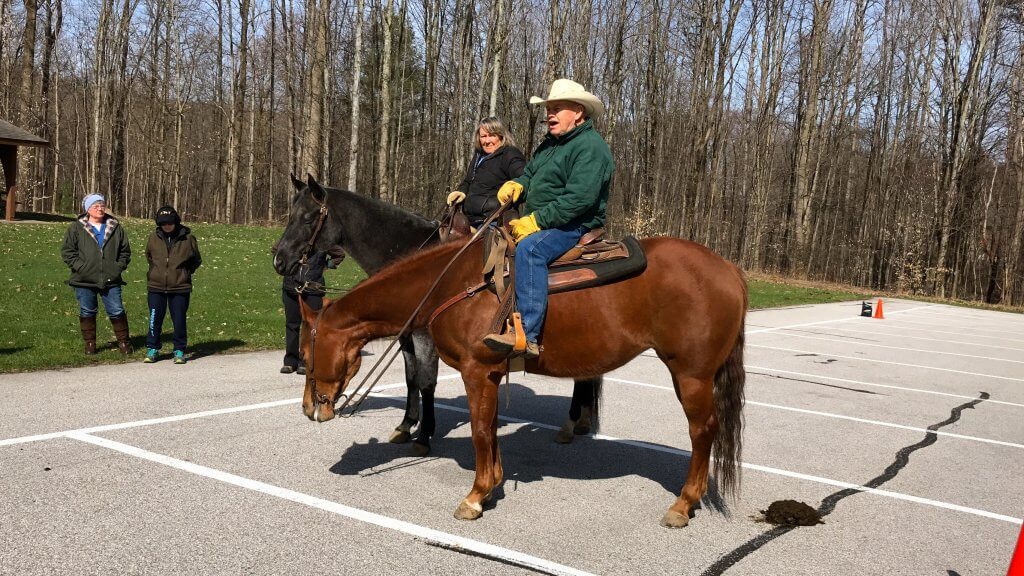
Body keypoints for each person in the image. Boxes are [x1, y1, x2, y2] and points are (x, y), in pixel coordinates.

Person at [482, 79, 614, 359]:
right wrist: (519, 185)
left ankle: (526, 335)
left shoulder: (590, 147)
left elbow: (580, 199)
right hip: (547, 220)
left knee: (530, 250)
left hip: (573, 224)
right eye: (548, 109)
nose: (549, 114)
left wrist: (536, 221)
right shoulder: (550, 144)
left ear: (578, 112)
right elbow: (531, 175)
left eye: (557, 109)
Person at [61, 193, 133, 355]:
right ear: (88, 209)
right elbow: (67, 252)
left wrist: (117, 267)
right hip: (84, 279)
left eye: (102, 205)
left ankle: (124, 343)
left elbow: (125, 252)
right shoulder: (76, 228)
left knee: (116, 310)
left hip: (111, 279)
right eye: (96, 206)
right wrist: (81, 267)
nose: (100, 209)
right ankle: (90, 344)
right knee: (87, 311)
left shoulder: (115, 227)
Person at [143, 206, 202, 364]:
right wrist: (156, 271)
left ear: (175, 221)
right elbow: (149, 256)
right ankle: (153, 348)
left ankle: (179, 349)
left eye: (170, 223)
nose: (167, 226)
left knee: (179, 319)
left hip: (180, 287)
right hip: (156, 286)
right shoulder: (153, 237)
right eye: (163, 223)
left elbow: (196, 259)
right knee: (155, 319)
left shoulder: (188, 238)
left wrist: (184, 273)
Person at [446, 117, 527, 228]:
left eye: (492, 135)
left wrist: (515, 186)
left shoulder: (510, 154)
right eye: (483, 136)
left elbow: (525, 179)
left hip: (493, 220)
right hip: (468, 219)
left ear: (501, 136)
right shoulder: (479, 156)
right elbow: (468, 181)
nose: (487, 141)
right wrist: (461, 192)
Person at [280, 247, 345, 374]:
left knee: (311, 325)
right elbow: (277, 249)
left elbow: (339, 255)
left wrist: (325, 265)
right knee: (291, 324)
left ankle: (306, 360)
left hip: (313, 289)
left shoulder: (323, 240)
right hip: (290, 287)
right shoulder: (294, 238)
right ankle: (290, 362)